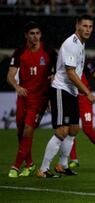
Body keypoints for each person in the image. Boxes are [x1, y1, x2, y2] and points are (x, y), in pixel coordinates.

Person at [37, 14, 95, 178]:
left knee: (74, 129)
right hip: (61, 89)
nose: (87, 29)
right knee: (62, 131)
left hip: (71, 91)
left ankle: (62, 165)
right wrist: (87, 92)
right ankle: (43, 169)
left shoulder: (81, 45)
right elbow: (70, 73)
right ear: (77, 25)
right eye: (84, 26)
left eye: (90, 27)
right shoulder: (72, 44)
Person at [7, 21, 57, 178]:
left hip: (39, 99)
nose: (35, 36)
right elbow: (9, 75)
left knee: (29, 129)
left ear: (41, 35)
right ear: (26, 35)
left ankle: (15, 166)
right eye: (32, 33)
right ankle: (29, 164)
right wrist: (17, 87)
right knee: (20, 131)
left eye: (37, 33)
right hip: (23, 96)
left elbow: (57, 75)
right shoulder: (19, 52)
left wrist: (51, 97)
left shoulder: (49, 52)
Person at [68, 60, 95, 168]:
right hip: (72, 97)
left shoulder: (84, 62)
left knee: (87, 129)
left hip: (85, 99)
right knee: (71, 129)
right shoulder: (66, 61)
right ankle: (74, 159)